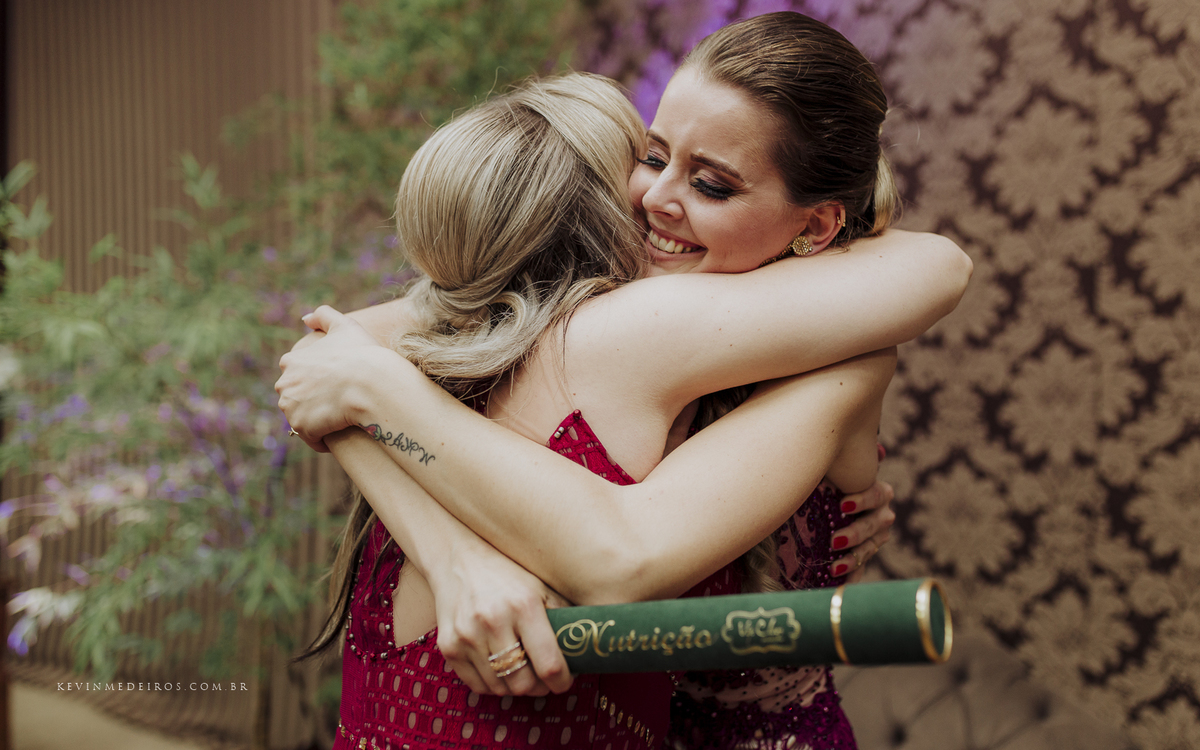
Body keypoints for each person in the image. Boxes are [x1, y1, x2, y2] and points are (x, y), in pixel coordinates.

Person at [278, 13, 971, 750]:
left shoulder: (835, 353)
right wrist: (456, 559)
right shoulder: (605, 303)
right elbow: (333, 352)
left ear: (820, 226)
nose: (653, 198)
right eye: (653, 155)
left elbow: (943, 265)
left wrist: (380, 392)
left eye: (711, 184)